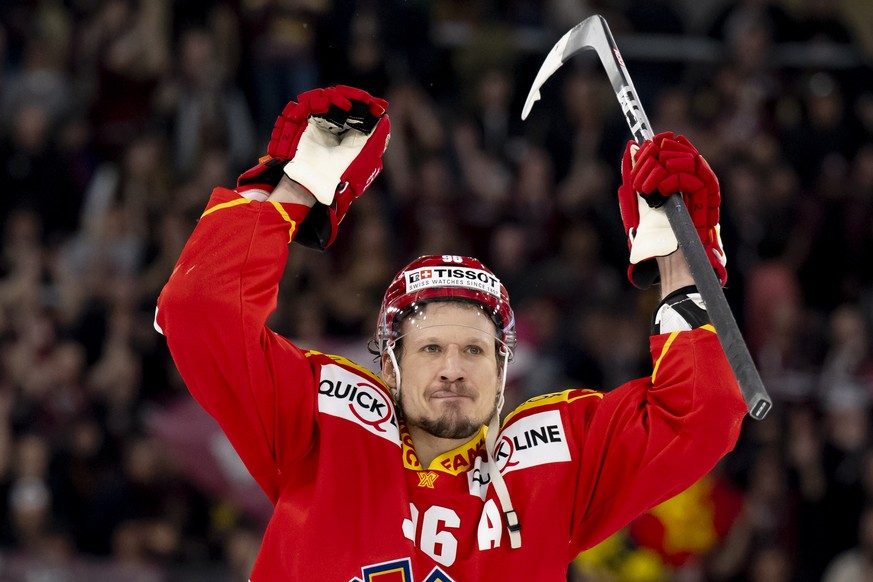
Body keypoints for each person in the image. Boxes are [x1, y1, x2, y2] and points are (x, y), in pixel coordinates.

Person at [155, 85, 748, 580]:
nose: (453, 368)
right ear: (389, 364)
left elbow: (698, 418)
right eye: (431, 348)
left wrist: (683, 267)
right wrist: (291, 190)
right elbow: (199, 313)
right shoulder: (322, 423)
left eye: (474, 349)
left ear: (503, 365)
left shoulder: (557, 460)